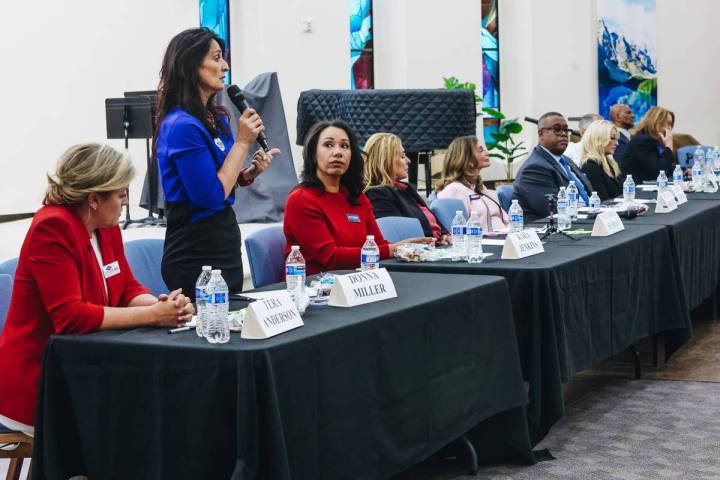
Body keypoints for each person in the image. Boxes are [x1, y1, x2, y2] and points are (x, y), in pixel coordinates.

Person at [0, 144, 194, 435]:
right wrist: (153, 315)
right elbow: (71, 317)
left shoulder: (106, 224)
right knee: (139, 422)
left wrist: (164, 306)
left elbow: (126, 288)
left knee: (157, 410)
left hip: (85, 366)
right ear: (94, 199)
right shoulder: (52, 228)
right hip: (38, 382)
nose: (126, 202)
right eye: (120, 194)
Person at [154, 28, 280, 298]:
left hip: (223, 238)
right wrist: (243, 142)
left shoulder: (215, 118)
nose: (225, 66)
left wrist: (248, 174)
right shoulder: (181, 126)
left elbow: (221, 178)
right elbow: (209, 197)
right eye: (217, 58)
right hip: (195, 248)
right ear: (191, 64)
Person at [283, 121, 434, 275]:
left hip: (359, 282)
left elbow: (378, 244)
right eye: (328, 145)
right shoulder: (301, 199)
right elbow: (330, 258)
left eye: (344, 146)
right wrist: (393, 249)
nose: (338, 152)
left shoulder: (357, 197)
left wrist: (405, 250)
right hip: (314, 288)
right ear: (313, 153)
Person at [363, 132, 450, 244]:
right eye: (402, 156)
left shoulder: (405, 188)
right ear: (385, 160)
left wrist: (444, 234)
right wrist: (436, 241)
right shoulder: (377, 194)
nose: (408, 161)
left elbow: (431, 218)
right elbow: (401, 236)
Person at [512, 112, 594, 222]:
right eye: (557, 129)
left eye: (566, 130)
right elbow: (555, 210)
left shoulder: (565, 160)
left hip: (583, 218)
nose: (564, 134)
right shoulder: (534, 168)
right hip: (553, 230)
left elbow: (590, 193)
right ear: (541, 134)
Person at [435, 135, 509, 231]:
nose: (487, 153)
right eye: (480, 150)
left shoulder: (477, 186)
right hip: (484, 242)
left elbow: (505, 218)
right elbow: (460, 231)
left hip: (502, 237)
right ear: (467, 158)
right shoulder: (454, 190)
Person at [619, 106, 675, 184]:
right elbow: (658, 171)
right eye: (668, 124)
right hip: (634, 189)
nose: (669, 128)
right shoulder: (643, 140)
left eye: (671, 124)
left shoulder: (654, 139)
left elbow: (664, 165)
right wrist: (668, 147)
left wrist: (682, 170)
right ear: (656, 122)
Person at [579, 120, 623, 201]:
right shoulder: (590, 165)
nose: (617, 143)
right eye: (612, 138)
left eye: (616, 139)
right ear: (598, 139)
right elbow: (602, 201)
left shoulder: (609, 162)